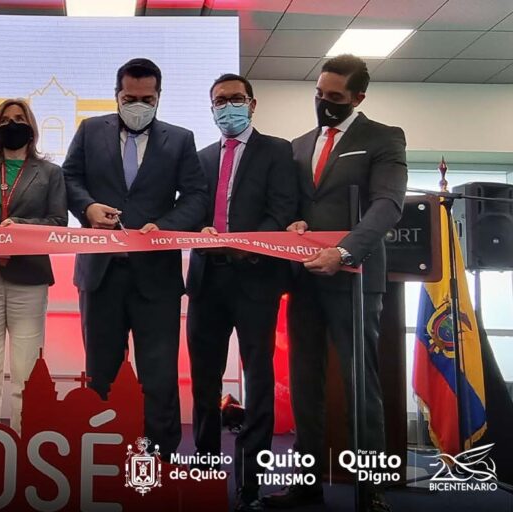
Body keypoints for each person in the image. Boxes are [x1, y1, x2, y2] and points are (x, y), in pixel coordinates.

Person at [263, 55, 407, 512]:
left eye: (335, 97)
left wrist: (343, 252)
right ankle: (306, 483)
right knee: (305, 383)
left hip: (354, 278)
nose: (324, 103)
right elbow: (290, 203)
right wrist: (291, 224)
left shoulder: (383, 138)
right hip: (304, 279)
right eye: (319, 94)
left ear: (357, 98)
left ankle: (371, 489)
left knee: (360, 384)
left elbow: (388, 205)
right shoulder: (298, 145)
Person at [63, 58, 207, 458]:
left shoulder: (180, 139)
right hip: (101, 273)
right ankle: (103, 456)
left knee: (158, 377)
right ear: (116, 95)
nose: (138, 105)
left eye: (147, 99)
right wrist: (88, 208)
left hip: (156, 276)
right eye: (130, 98)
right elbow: (69, 178)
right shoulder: (90, 130)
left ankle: (160, 459)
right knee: (101, 375)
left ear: (159, 97)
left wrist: (165, 226)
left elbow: (196, 195)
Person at [186, 73, 299, 512]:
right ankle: (206, 475)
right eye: (220, 101)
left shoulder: (278, 151)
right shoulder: (200, 157)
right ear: (211, 107)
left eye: (235, 99)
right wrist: (200, 230)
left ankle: (250, 484)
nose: (227, 107)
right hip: (207, 280)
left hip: (255, 279)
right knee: (204, 382)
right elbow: (192, 210)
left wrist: (245, 246)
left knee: (258, 381)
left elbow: (281, 210)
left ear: (252, 104)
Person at [0, 99, 68, 435]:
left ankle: (24, 444)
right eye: (5, 120)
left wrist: (20, 226)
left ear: (31, 126)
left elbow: (58, 222)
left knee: (26, 371)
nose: (12, 124)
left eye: (19, 118)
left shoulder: (50, 173)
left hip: (28, 278)